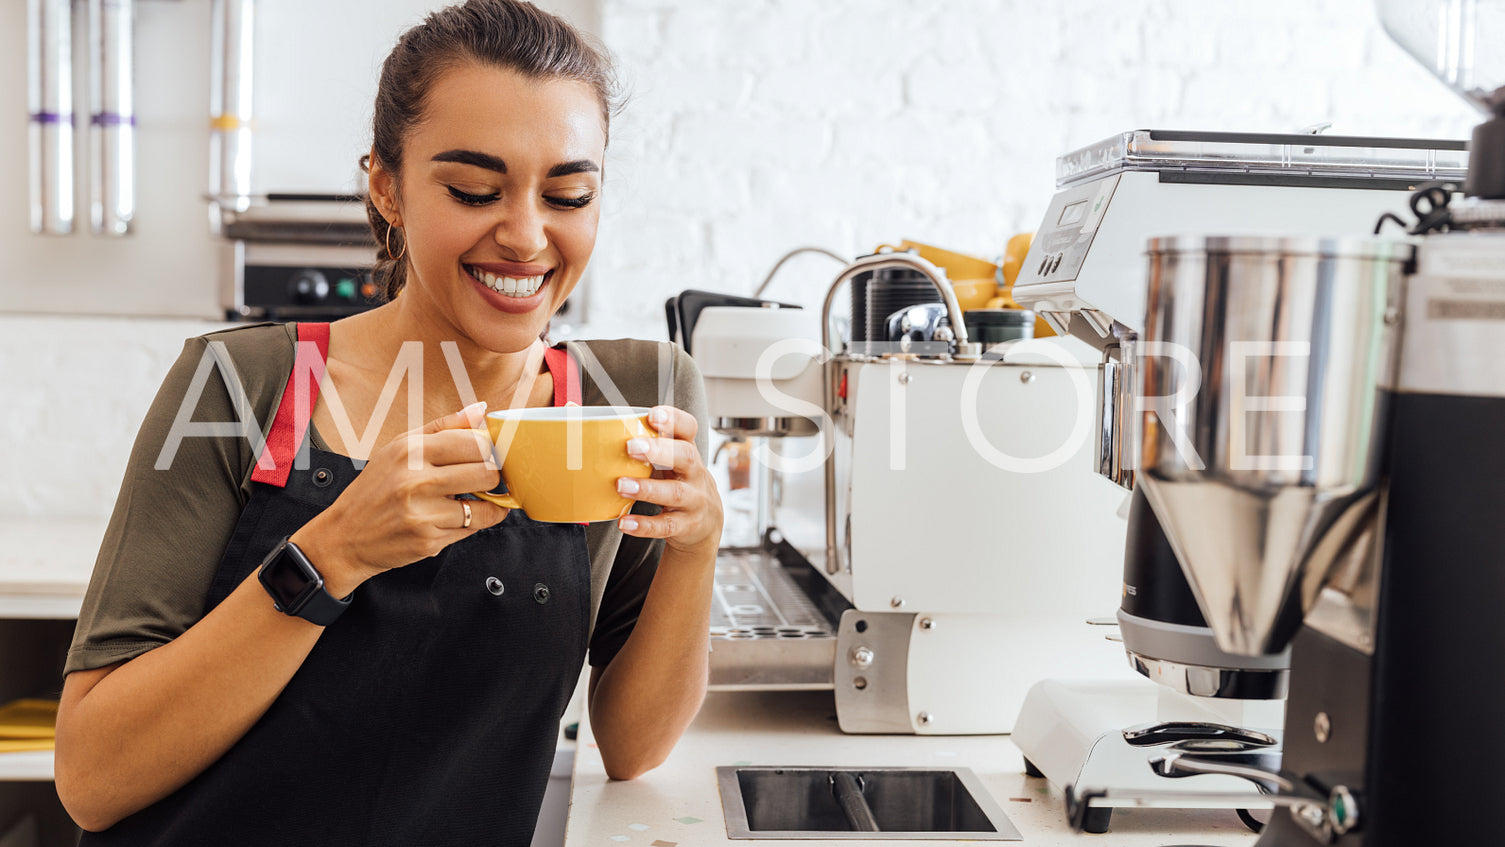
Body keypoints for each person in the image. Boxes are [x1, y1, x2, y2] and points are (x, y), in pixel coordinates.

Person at [53, 1, 722, 844]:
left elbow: (633, 744)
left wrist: (698, 545)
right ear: (385, 185)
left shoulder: (631, 395)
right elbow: (91, 778)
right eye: (475, 189)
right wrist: (332, 555)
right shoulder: (240, 383)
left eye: (567, 193)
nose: (525, 235)